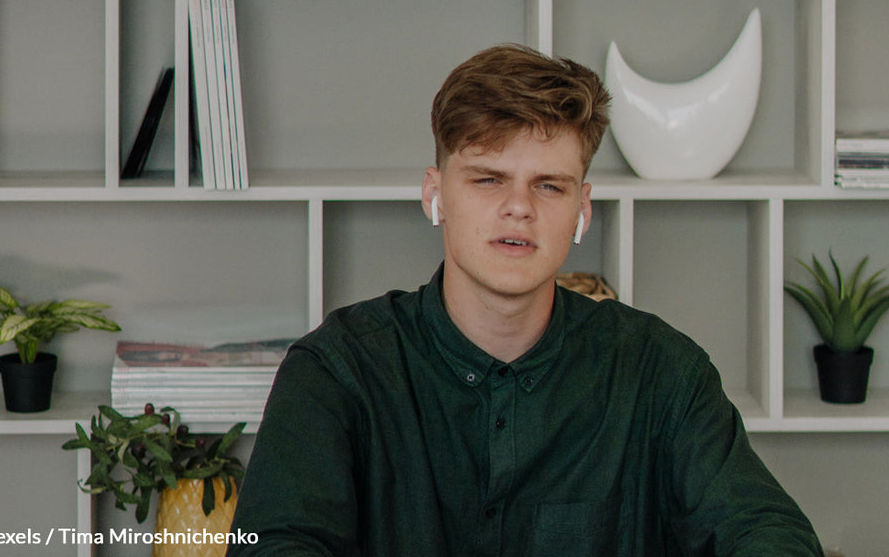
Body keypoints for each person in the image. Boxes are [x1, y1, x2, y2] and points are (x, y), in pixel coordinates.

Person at [227, 44, 823, 556]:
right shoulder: (337, 372)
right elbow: (276, 542)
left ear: (582, 209)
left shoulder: (661, 372)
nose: (519, 207)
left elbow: (766, 530)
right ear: (436, 194)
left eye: (549, 186)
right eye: (488, 179)